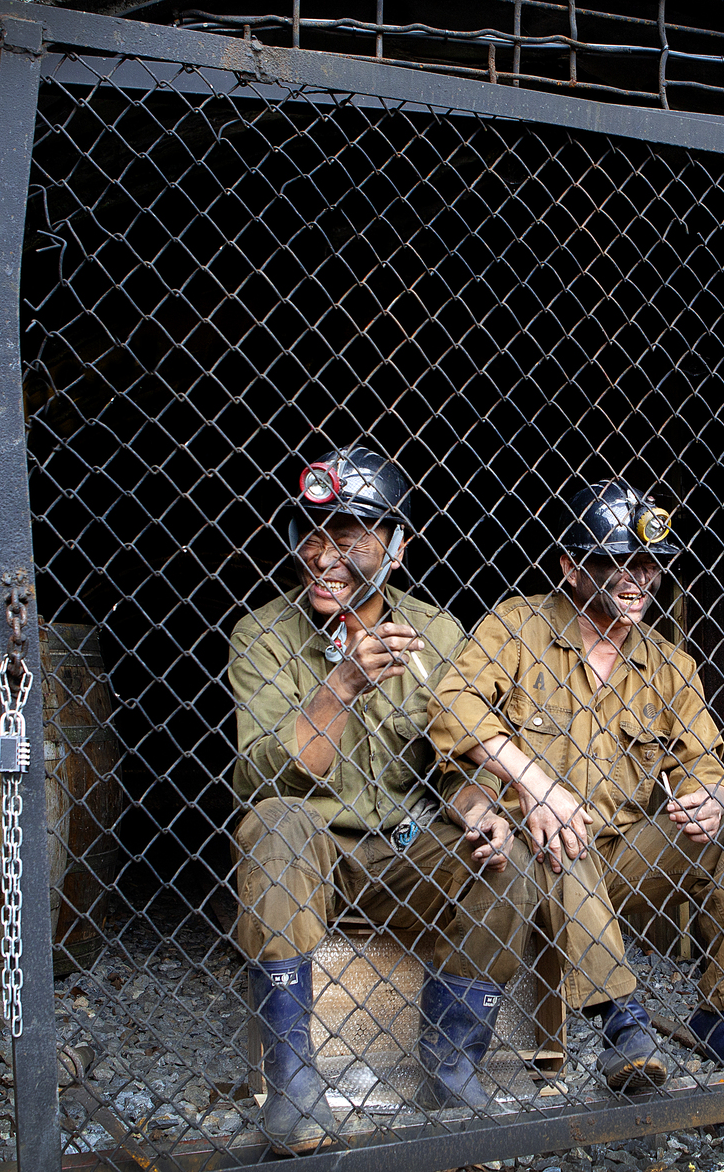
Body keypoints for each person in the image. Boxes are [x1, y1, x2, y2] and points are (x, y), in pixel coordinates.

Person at [427, 478, 724, 1093]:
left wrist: (710, 796)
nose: (637, 579)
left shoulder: (670, 664)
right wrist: (535, 784)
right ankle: (623, 1022)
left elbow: (703, 760)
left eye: (649, 564)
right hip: (528, 858)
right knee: (560, 833)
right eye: (618, 561)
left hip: (621, 858)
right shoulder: (516, 626)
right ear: (571, 566)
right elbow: (451, 706)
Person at [229, 446, 533, 1153]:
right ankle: (293, 1079)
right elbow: (261, 780)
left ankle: (452, 1064)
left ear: (396, 549)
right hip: (314, 856)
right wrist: (340, 686)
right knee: (274, 821)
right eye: (311, 533)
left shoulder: (438, 633)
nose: (322, 555)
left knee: (507, 853)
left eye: (347, 536)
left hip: (409, 852)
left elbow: (457, 761)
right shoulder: (262, 634)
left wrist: (482, 807)